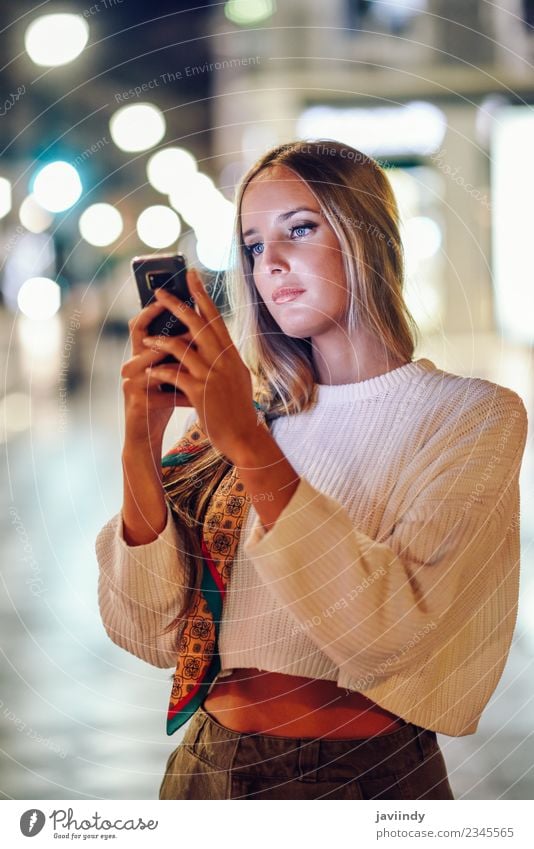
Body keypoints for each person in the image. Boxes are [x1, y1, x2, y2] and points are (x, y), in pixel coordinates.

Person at [95, 139, 528, 800]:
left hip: (363, 776)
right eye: (253, 246)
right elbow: (148, 632)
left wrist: (248, 443)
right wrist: (140, 443)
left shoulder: (471, 416)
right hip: (206, 768)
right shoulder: (242, 412)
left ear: (370, 235)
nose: (273, 263)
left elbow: (386, 635)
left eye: (300, 228)